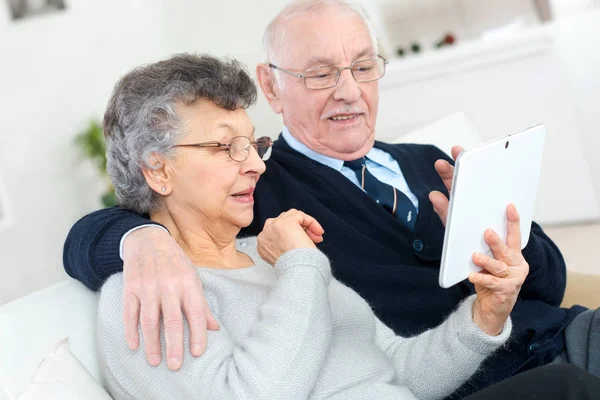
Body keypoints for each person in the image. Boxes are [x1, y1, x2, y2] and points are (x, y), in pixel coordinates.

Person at [64, 0, 598, 397]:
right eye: (320, 73)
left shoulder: (426, 161)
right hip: (520, 372)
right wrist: (141, 239)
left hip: (547, 336)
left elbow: (398, 365)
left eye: (363, 67)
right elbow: (99, 230)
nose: (348, 89)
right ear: (272, 87)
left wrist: (495, 255)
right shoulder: (264, 215)